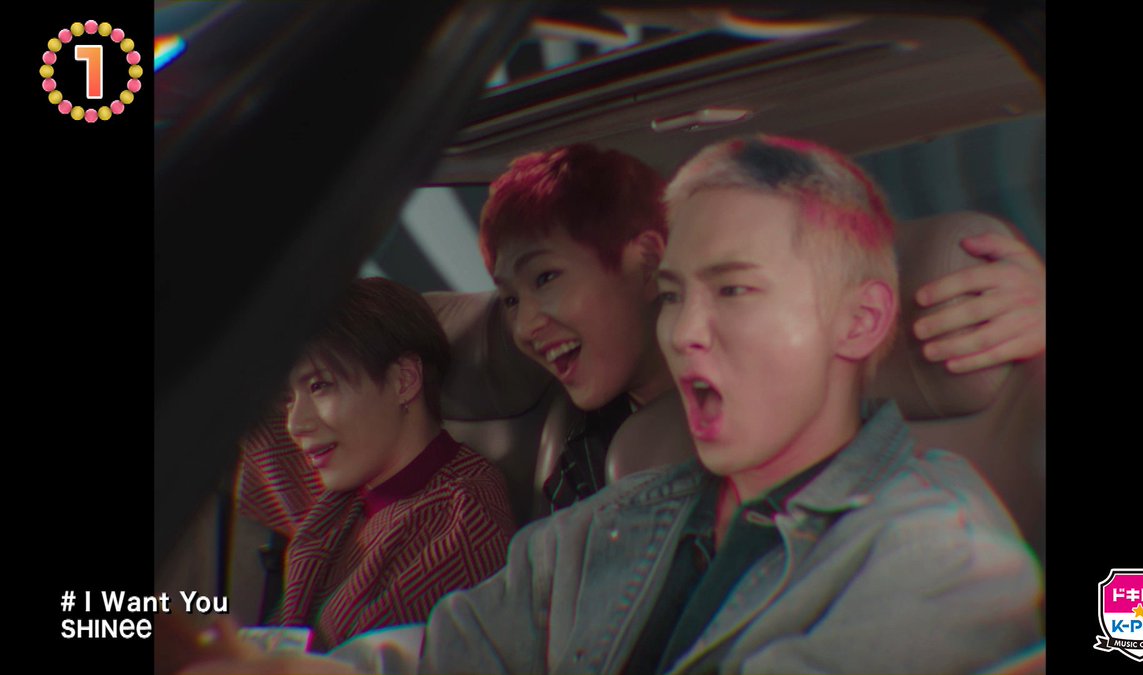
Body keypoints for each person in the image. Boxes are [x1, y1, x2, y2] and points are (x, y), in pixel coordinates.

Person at [173, 139, 1044, 675]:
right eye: (674, 294)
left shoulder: (938, 551)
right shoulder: (615, 520)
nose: (684, 331)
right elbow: (440, 655)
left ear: (858, 322)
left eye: (733, 290)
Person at [481, 143, 1045, 511]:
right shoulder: (588, 458)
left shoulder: (871, 458)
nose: (525, 324)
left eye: (546, 277)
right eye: (508, 299)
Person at [235, 278, 515, 652]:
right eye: (289, 400)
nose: (295, 425)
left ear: (404, 380)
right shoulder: (351, 485)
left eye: (320, 386)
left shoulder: (461, 521)